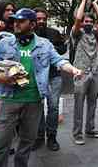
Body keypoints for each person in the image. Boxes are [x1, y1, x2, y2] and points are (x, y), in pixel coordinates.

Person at [0, 8, 82, 167]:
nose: (16, 24)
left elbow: (59, 61)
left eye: (21, 21)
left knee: (26, 143)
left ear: (32, 24)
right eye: (15, 21)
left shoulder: (44, 45)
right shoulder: (4, 43)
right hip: (8, 100)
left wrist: (74, 70)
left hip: (34, 101)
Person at [71, 0, 98, 145]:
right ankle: (77, 133)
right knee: (79, 103)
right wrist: (84, 0)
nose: (89, 23)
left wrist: (95, 4)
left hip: (95, 72)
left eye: (91, 22)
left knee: (93, 102)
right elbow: (78, 19)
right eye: (87, 21)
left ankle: (90, 129)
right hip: (81, 72)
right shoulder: (76, 33)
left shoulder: (95, 34)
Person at [32, 8, 67, 151]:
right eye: (38, 19)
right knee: (38, 107)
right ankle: (39, 137)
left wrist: (50, 49)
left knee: (53, 107)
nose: (41, 21)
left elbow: (63, 48)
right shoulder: (29, 35)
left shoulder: (53, 33)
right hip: (36, 76)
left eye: (43, 19)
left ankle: (52, 137)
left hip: (54, 76)